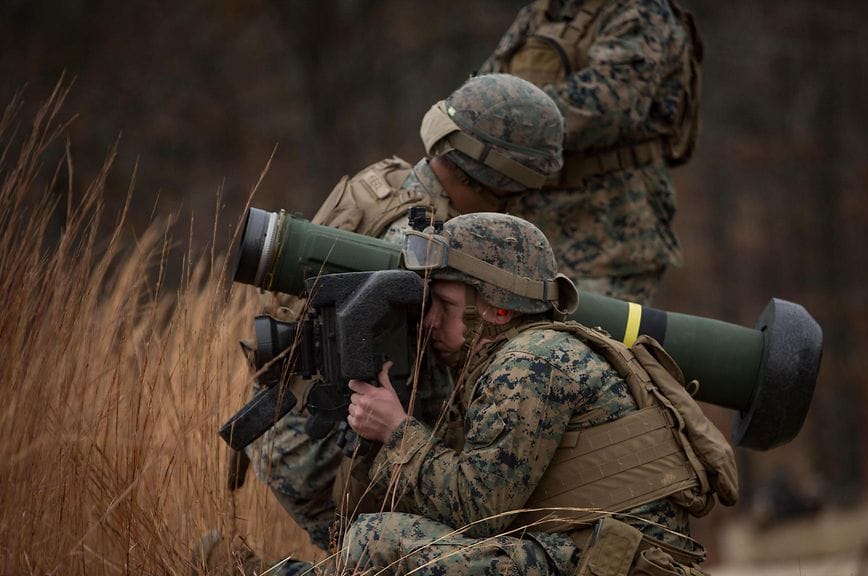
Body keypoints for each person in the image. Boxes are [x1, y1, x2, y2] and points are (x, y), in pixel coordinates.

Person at [197, 73, 567, 570]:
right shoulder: (419, 248)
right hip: (326, 449)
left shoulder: (387, 182)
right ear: (500, 176)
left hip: (292, 426)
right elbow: (433, 399)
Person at [317, 212, 735, 575]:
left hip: (611, 564)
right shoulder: (522, 355)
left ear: (498, 309)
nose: (429, 322)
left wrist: (395, 430)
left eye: (444, 303)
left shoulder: (532, 362)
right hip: (595, 557)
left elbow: (478, 513)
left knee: (377, 539)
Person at [475, 0, 704, 305]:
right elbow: (486, 85)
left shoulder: (640, 11)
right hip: (529, 229)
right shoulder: (543, 12)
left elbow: (608, 104)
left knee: (591, 343)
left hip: (611, 235)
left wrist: (504, 116)